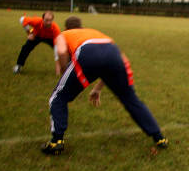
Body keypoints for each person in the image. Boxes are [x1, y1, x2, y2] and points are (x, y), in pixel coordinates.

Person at [41, 16, 168, 155]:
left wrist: (65, 71)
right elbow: (109, 64)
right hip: (113, 53)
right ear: (82, 27)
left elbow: (61, 51)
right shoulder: (95, 33)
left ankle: (56, 141)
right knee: (130, 98)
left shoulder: (63, 34)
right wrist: (97, 89)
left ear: (66, 28)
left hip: (87, 53)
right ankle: (159, 137)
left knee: (58, 96)